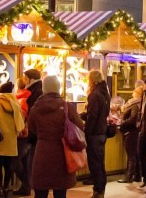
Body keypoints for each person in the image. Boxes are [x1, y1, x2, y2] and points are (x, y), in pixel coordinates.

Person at [29, 76, 83, 198]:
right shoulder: (67, 107)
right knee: (60, 191)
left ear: (44, 88)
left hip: (42, 151)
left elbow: (32, 129)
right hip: (62, 153)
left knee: (40, 191)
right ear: (58, 88)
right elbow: (79, 126)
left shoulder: (35, 108)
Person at [0, 82, 27, 194]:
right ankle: (6, 187)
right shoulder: (15, 103)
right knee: (8, 165)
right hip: (11, 138)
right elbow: (20, 120)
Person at [82, 70, 110, 198]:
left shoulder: (94, 95)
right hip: (102, 132)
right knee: (100, 162)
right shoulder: (105, 93)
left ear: (91, 80)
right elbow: (102, 113)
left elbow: (93, 116)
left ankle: (98, 190)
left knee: (95, 163)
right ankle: (101, 189)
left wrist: (87, 132)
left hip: (94, 133)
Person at [118, 86, 144, 183]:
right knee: (135, 154)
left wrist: (122, 122)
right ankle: (137, 175)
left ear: (137, 93)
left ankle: (128, 176)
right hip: (136, 131)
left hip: (131, 131)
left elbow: (133, 118)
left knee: (131, 154)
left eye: (134, 91)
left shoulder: (134, 103)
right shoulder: (140, 103)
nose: (132, 92)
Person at [12, 78, 32, 195]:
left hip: (22, 135)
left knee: (15, 162)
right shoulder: (27, 98)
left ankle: (27, 184)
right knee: (25, 163)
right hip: (27, 134)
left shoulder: (22, 100)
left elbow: (22, 117)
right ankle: (26, 187)